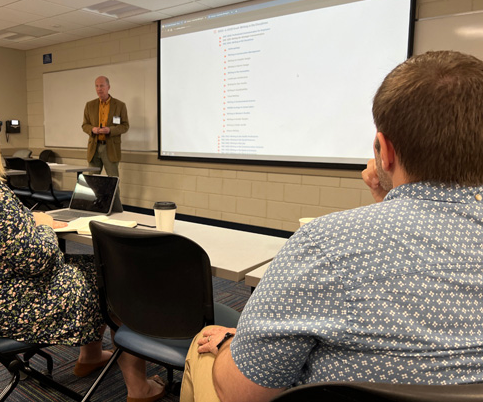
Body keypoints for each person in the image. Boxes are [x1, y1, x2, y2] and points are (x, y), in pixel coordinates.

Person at [180, 50, 483, 402]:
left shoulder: (328, 242)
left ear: (384, 151)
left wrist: (236, 342)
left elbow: (243, 392)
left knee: (205, 349)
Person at [0, 94, 165, 402]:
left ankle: (91, 355)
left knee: (91, 265)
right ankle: (138, 386)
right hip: (11, 309)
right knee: (121, 277)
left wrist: (26, 220)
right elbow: (38, 260)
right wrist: (40, 225)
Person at [82, 76, 129, 177]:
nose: (99, 89)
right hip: (94, 147)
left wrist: (110, 130)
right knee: (91, 181)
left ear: (108, 87)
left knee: (113, 181)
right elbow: (84, 125)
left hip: (110, 148)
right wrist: (92, 129)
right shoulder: (89, 105)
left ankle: (114, 194)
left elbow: (125, 126)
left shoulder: (120, 105)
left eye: (102, 86)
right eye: (97, 86)